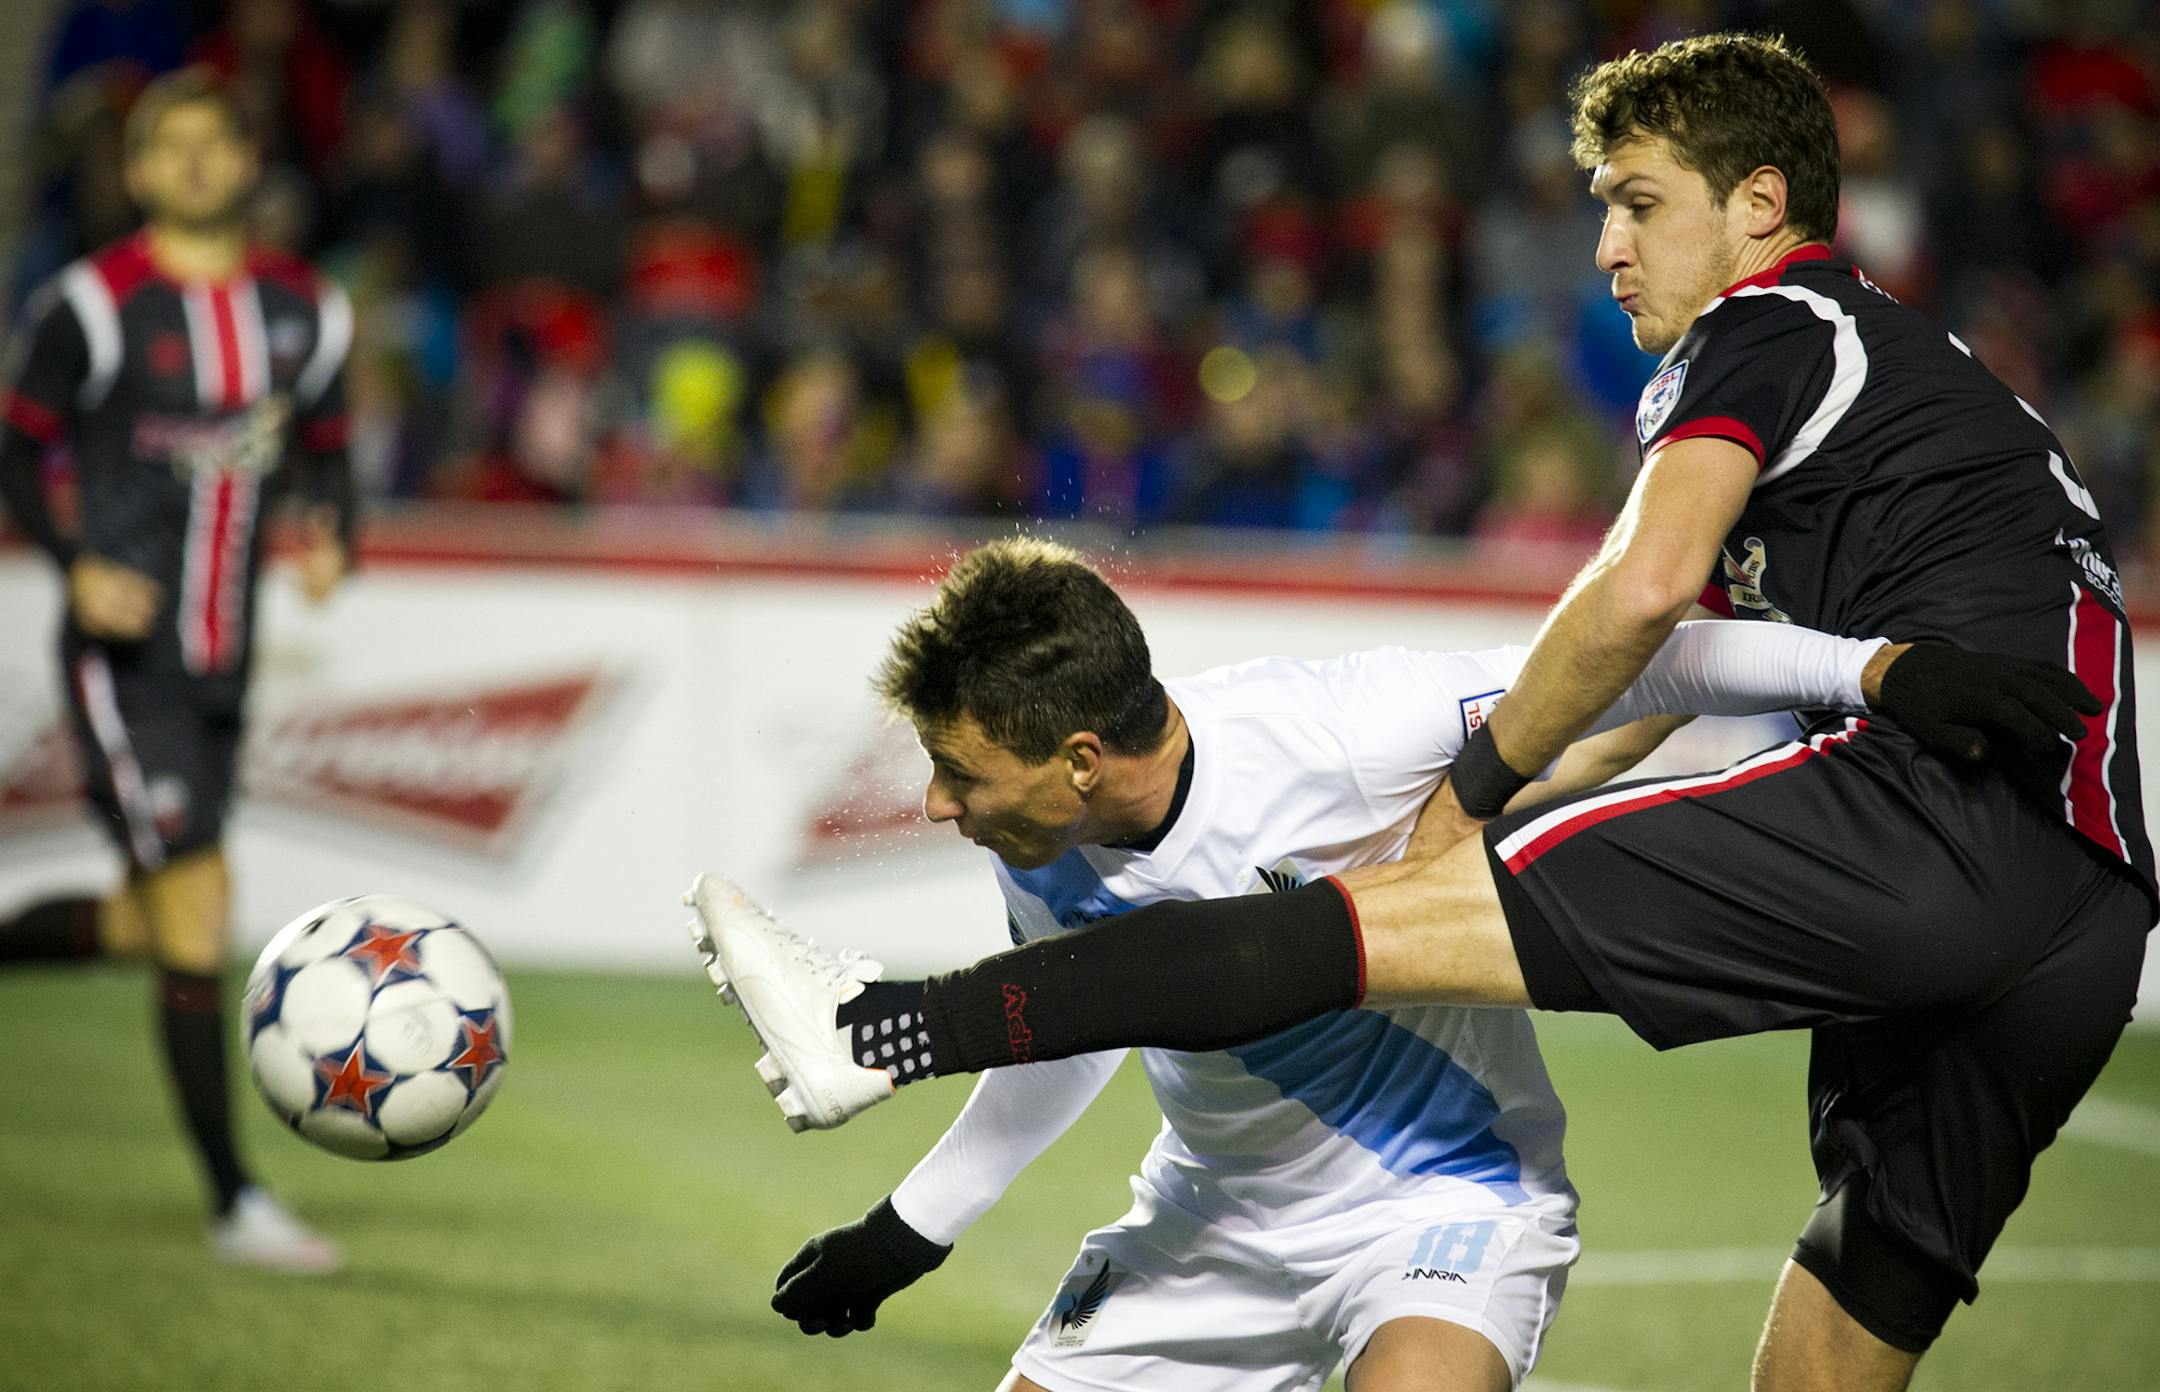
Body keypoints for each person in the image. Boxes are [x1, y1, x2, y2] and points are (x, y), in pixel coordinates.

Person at [689, 34, 2146, 1392]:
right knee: (1867, 1277)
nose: (1608, 246)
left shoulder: (1768, 322)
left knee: (1350, 928)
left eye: (1639, 204)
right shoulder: (1927, 392)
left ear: (1761, 205)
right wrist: (1870, 668)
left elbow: (1641, 597)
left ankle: (875, 1027)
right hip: (2084, 901)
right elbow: (1685, 655)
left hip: (1920, 821)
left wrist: (1473, 795)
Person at [690, 536, 2077, 1392]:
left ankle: (866, 1028)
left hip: (1440, 1200)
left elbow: (1653, 660)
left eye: (954, 773)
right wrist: (913, 1228)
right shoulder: (1035, 834)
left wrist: (1876, 673)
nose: (938, 807)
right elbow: (1073, 1020)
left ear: (1079, 757)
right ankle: (873, 1035)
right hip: (1208, 1224)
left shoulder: (1344, 728)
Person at [0, 67, 353, 1272]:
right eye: (174, 147)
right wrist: (71, 560)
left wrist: (330, 534)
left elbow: (330, 452)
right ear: (141, 171)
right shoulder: (91, 306)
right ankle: (235, 1202)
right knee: (200, 907)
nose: (198, 163)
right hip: (124, 655)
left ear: (249, 162)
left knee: (159, 922)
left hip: (225, 662)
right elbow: (16, 448)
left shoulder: (308, 312)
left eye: (219, 143)